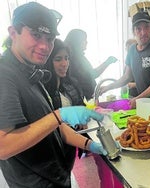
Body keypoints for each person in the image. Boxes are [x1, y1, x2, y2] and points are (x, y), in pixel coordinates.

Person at [0, 2, 108, 187]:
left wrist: (89, 145)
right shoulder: (5, 74)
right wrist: (59, 115)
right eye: (36, 35)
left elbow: (53, 126)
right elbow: (3, 146)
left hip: (57, 177)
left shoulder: (31, 73)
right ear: (13, 32)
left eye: (49, 38)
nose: (44, 46)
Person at [43, 39, 123, 187]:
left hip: (70, 147)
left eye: (66, 58)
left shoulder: (69, 83)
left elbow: (78, 106)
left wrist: (83, 118)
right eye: (58, 59)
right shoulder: (44, 90)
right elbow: (56, 126)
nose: (64, 63)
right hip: (53, 152)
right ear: (48, 61)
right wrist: (90, 144)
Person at [100, 11, 150, 113]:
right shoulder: (132, 50)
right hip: (145, 103)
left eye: (146, 27)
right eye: (138, 29)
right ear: (133, 31)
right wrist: (108, 87)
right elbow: (127, 77)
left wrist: (138, 98)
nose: (143, 32)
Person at [64, 29, 118, 99]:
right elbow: (93, 74)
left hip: (86, 96)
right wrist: (108, 62)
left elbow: (91, 74)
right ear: (77, 41)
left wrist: (108, 62)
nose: (86, 42)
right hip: (83, 98)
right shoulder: (74, 58)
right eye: (84, 40)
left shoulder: (78, 57)